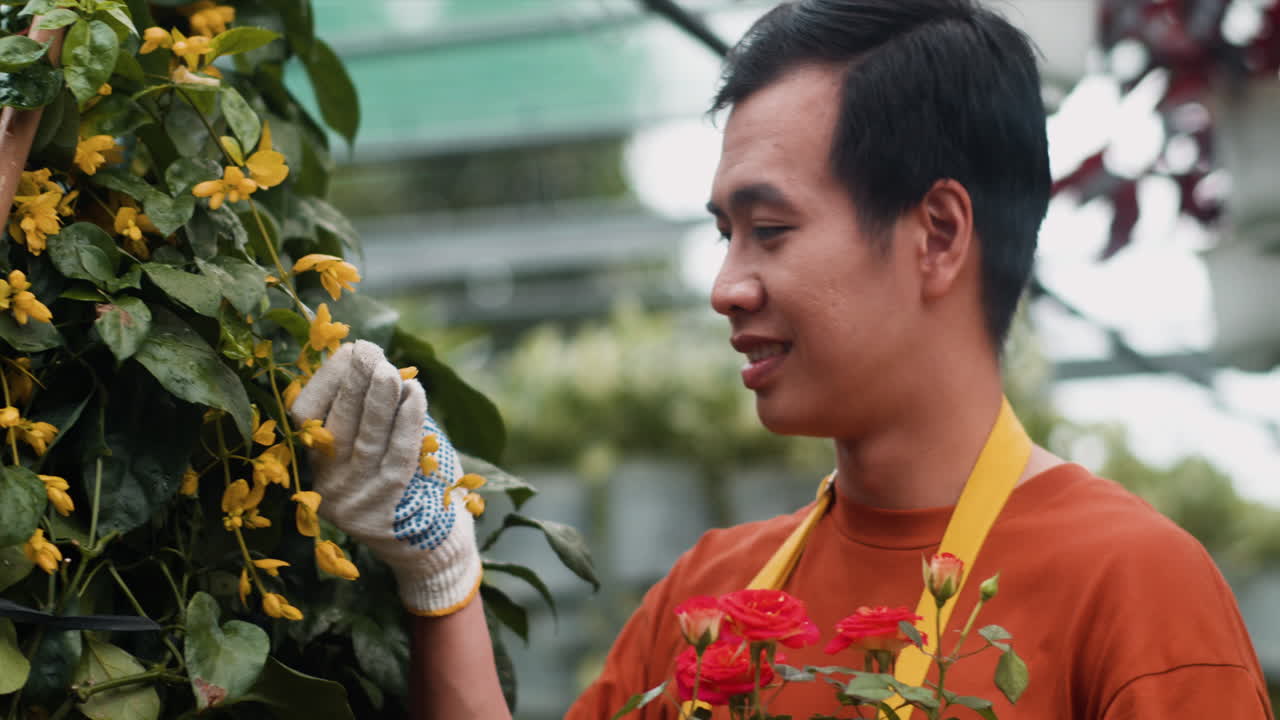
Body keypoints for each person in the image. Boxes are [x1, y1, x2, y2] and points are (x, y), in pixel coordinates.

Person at [290, 1, 1274, 718]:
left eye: (767, 229)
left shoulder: (1133, 587)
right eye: (723, 233)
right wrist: (440, 571)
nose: (725, 285)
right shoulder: (708, 593)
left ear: (935, 233)